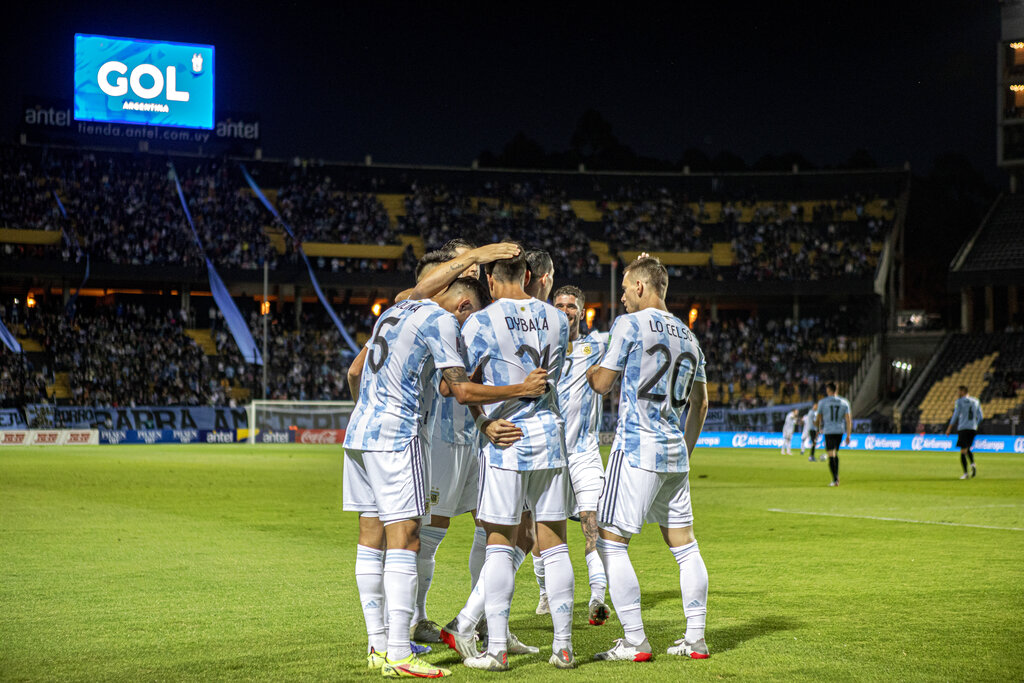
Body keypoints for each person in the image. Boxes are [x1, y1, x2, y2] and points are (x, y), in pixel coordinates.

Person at [343, 276, 546, 678]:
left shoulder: (395, 310)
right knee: (409, 538)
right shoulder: (441, 320)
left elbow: (354, 371)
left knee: (372, 538)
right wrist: (522, 387)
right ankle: (401, 651)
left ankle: (380, 645)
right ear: (463, 305)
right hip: (400, 434)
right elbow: (459, 389)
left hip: (360, 432)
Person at [444, 248, 577, 671]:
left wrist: (483, 422)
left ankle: (497, 648)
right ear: (529, 275)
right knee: (553, 544)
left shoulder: (482, 320)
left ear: (490, 280)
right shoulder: (557, 318)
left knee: (500, 543)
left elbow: (462, 387)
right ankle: (564, 647)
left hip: (506, 439)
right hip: (550, 438)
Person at [586, 256, 711, 662]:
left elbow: (603, 384)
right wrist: (685, 450)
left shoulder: (629, 325)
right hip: (674, 452)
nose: (621, 297)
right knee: (685, 547)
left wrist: (591, 366)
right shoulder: (690, 337)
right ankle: (696, 638)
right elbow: (702, 404)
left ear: (641, 287)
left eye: (624, 288)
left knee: (610, 540)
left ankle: (636, 640)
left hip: (637, 448)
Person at [552, 285, 611, 625]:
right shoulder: (542, 349)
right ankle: (547, 593)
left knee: (593, 523)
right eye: (559, 304)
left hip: (585, 453)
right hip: (550, 456)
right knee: (544, 529)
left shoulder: (597, 346)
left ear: (581, 311)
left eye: (571, 306)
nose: (565, 310)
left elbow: (630, 326)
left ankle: (597, 597)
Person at [816, 383, 851, 487]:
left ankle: (835, 479)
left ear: (828, 390)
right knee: (834, 453)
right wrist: (848, 435)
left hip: (829, 431)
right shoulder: (845, 402)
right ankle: (836, 478)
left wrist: (818, 429)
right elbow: (848, 420)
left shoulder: (822, 402)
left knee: (831, 454)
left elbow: (819, 418)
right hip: (840, 431)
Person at [945, 385, 982, 479]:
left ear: (963, 391)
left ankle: (965, 474)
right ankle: (973, 464)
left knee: (963, 451)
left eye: (959, 391)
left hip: (963, 428)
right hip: (973, 428)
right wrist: (975, 424)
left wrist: (949, 427)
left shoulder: (959, 402)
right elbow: (981, 416)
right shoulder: (976, 401)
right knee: (967, 447)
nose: (958, 393)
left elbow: (955, 415)